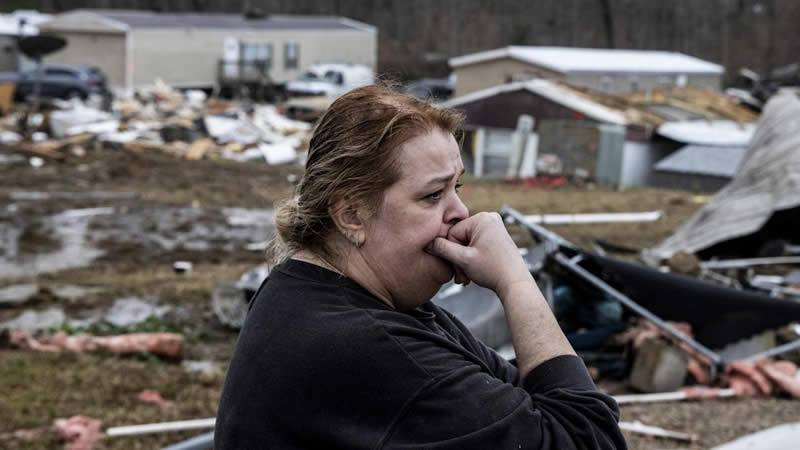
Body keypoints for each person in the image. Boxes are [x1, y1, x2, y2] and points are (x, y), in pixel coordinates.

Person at [215, 85, 626, 449]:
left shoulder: (316, 294)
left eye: (456, 187)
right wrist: (516, 281)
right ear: (351, 215)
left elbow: (526, 401)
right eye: (433, 195)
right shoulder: (371, 347)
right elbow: (591, 439)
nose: (461, 211)